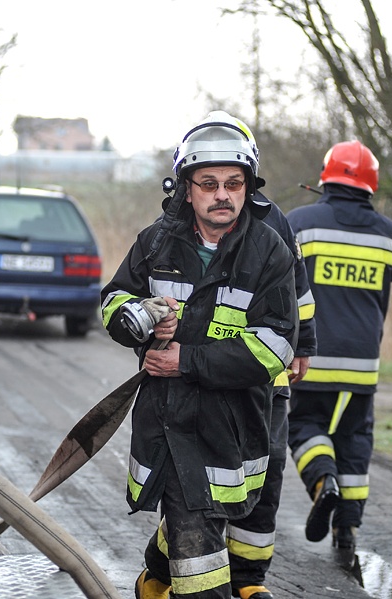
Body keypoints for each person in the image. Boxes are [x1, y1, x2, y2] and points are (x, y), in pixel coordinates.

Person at [101, 110, 298, 599]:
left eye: (233, 183)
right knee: (202, 567)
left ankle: (152, 580)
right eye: (208, 184)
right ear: (186, 188)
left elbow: (276, 344)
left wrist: (185, 360)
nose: (222, 194)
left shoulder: (270, 251)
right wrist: (136, 317)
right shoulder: (156, 242)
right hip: (168, 424)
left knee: (203, 516)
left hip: (233, 424)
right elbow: (113, 299)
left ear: (248, 187)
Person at [284, 140, 392, 565]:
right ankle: (347, 528)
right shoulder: (391, 237)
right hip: (363, 365)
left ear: (325, 178)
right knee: (355, 439)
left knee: (305, 425)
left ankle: (324, 484)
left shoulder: (300, 225)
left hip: (312, 357)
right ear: (370, 185)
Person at [223, 189, 317, 599]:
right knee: (203, 483)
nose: (223, 192)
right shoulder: (180, 223)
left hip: (267, 381)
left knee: (267, 475)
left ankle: (248, 579)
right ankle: (170, 568)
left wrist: (303, 345)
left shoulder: (272, 218)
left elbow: (299, 288)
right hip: (201, 379)